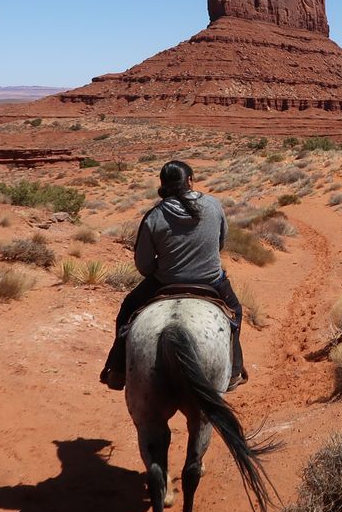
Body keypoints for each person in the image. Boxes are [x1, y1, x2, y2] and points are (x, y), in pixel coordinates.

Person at [99, 160, 246, 391]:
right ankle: (234, 371)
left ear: (163, 185)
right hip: (211, 280)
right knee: (235, 311)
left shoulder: (154, 216)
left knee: (128, 308)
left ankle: (116, 370)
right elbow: (220, 243)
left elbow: (144, 265)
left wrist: (165, 264)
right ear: (189, 181)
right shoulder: (213, 205)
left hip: (165, 282)